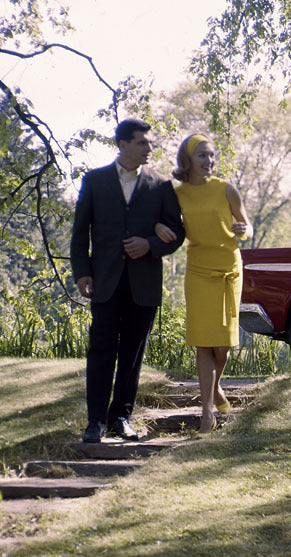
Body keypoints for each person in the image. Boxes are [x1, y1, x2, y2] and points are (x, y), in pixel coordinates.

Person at [70, 119, 185, 443]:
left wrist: (151, 244)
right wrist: (82, 272)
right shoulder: (94, 181)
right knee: (101, 350)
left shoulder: (161, 186)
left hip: (143, 284)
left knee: (133, 353)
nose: (150, 148)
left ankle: (121, 417)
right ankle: (95, 422)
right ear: (122, 144)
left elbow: (177, 234)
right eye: (143, 143)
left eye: (150, 143)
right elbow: (80, 234)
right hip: (104, 282)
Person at [156, 133, 251, 435]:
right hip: (197, 270)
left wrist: (243, 229)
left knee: (222, 345)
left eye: (211, 155)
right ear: (188, 160)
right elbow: (167, 222)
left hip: (228, 269)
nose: (209, 161)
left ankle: (215, 388)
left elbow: (246, 226)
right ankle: (206, 412)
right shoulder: (178, 193)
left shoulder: (226, 189)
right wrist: (158, 226)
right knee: (203, 341)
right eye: (202, 156)